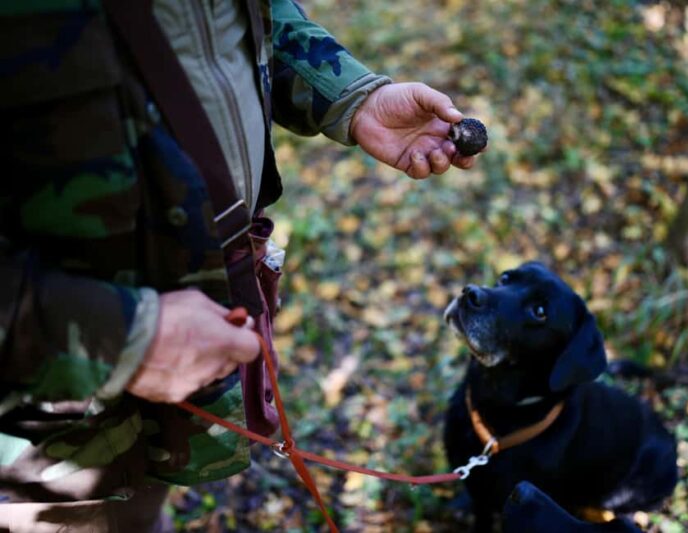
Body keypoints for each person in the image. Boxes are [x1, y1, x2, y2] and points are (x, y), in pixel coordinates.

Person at [0, 0, 479, 531]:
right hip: (48, 392)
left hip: (201, 302)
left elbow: (236, 18)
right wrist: (120, 338)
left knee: (140, 508)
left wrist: (352, 96)